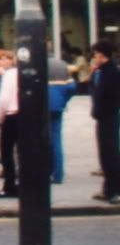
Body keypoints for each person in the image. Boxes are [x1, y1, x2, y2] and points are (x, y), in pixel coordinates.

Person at [89, 40, 120, 204]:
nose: (94, 57)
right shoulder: (101, 71)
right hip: (102, 117)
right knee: (105, 154)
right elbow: (94, 90)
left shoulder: (112, 72)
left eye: (95, 54)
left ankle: (114, 190)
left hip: (109, 116)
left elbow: (106, 94)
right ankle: (108, 188)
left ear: (102, 55)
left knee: (111, 154)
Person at [0, 51, 20, 198]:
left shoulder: (9, 75)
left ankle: (9, 185)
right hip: (25, 116)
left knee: (7, 152)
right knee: (22, 152)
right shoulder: (22, 73)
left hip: (10, 116)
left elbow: (3, 99)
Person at [48, 56, 76, 184]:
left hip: (40, 108)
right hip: (57, 106)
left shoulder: (35, 63)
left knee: (42, 140)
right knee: (56, 140)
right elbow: (72, 87)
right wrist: (62, 100)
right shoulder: (61, 64)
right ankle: (58, 174)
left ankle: (46, 170)